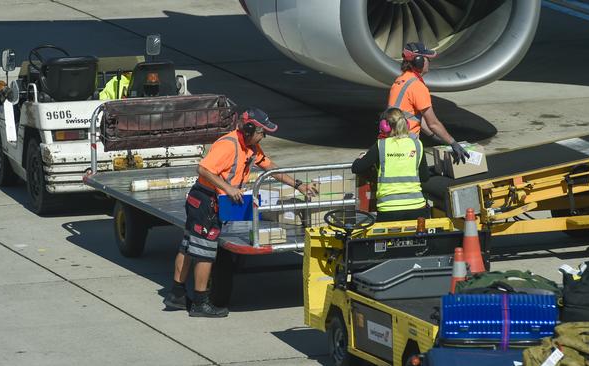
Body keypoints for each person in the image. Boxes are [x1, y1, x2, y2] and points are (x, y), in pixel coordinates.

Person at [163, 107, 318, 317]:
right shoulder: (228, 145)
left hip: (207, 201)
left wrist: (298, 185)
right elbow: (203, 169)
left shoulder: (251, 147)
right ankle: (200, 303)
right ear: (249, 129)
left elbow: (270, 168)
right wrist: (228, 188)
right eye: (262, 132)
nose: (264, 136)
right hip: (205, 201)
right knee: (205, 253)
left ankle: (176, 294)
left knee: (189, 245)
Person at [388, 42, 470, 164]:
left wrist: (434, 137)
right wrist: (453, 142)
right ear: (419, 61)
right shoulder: (417, 86)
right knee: (422, 178)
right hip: (407, 145)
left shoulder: (401, 80)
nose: (429, 63)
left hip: (392, 140)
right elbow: (433, 123)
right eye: (427, 59)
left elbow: (412, 117)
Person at [352, 107, 430, 222]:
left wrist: (360, 158)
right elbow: (424, 177)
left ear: (385, 126)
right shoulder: (417, 145)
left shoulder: (381, 145)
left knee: (388, 240)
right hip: (416, 207)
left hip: (388, 208)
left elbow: (357, 168)